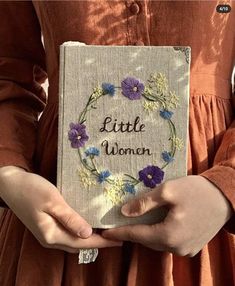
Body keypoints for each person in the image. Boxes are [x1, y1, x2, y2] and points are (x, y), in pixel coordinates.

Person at [0, 1, 234, 285]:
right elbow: (8, 72)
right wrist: (9, 173)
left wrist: (226, 187)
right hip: (55, 221)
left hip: (207, 221)